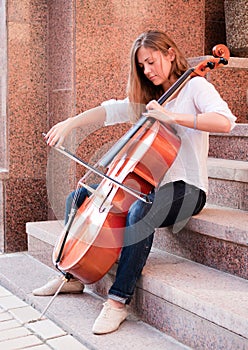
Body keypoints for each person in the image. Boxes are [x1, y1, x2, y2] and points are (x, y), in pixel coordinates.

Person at [32, 30, 236, 334]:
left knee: (141, 211)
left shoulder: (195, 86)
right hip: (151, 187)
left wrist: (173, 118)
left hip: (189, 190)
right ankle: (71, 276)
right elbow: (109, 110)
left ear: (170, 54)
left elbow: (225, 121)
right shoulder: (152, 97)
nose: (148, 71)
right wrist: (70, 123)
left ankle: (118, 301)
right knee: (77, 198)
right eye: (142, 66)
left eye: (151, 62)